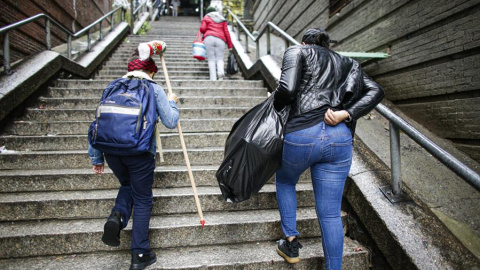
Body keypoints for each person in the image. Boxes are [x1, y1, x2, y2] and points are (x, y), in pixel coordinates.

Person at [272, 28, 385, 270]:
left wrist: (274, 103)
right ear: (328, 46)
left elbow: (287, 90)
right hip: (339, 138)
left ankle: (290, 243)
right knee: (331, 213)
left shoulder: (298, 51)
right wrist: (347, 112)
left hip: (302, 133)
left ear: (304, 43)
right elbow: (376, 90)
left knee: (285, 181)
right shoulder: (348, 63)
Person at [88, 50, 179, 270]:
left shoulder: (113, 86)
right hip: (139, 152)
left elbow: (98, 122)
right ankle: (140, 253)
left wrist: (96, 156)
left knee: (127, 184)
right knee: (143, 199)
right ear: (150, 71)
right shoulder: (153, 88)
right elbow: (170, 121)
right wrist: (173, 102)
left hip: (112, 151)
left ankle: (117, 217)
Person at [199, 6, 233, 81]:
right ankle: (220, 74)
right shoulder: (222, 19)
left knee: (211, 59)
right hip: (220, 39)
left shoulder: (206, 17)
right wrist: (230, 45)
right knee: (220, 58)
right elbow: (226, 32)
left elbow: (202, 29)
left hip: (209, 38)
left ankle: (213, 78)